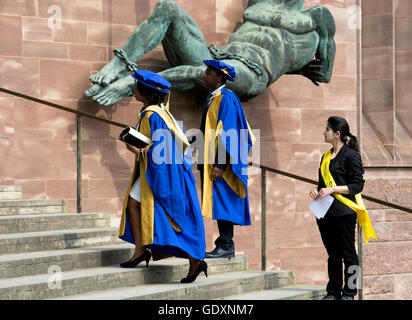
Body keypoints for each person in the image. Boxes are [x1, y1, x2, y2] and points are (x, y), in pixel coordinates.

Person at [85, 0, 335, 105]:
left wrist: (297, 66)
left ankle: (132, 82)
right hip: (219, 54)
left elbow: (324, 73)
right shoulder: (260, 3)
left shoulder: (317, 17)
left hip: (252, 71)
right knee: (168, 7)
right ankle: (120, 64)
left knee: (206, 71)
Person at [118, 69, 207, 283]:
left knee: (170, 216)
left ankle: (194, 259)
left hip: (159, 173)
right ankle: (140, 250)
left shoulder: (151, 115)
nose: (134, 91)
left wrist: (135, 147)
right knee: (133, 205)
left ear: (146, 92)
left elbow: (156, 149)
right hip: (167, 170)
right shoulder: (161, 112)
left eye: (137, 88)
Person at [309, 116, 377, 300]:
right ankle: (333, 292)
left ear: (337, 133)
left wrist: (333, 189)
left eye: (327, 129)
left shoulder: (351, 155)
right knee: (333, 254)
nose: (324, 132)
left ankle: (350, 293)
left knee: (349, 254)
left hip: (345, 212)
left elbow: (358, 185)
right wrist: (316, 191)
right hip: (325, 213)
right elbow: (321, 184)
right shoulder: (325, 156)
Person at [196, 60, 254, 259]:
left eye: (208, 72)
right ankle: (224, 244)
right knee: (219, 201)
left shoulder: (227, 99)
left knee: (223, 201)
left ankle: (226, 244)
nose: (204, 75)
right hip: (210, 159)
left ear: (219, 76)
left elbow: (228, 133)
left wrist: (219, 164)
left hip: (221, 163)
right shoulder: (213, 98)